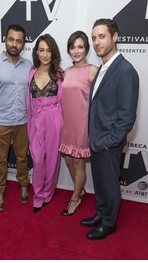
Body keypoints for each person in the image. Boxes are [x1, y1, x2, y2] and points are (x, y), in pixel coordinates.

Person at [80, 19, 139, 239]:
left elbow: (126, 117)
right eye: (94, 37)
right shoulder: (104, 68)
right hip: (97, 139)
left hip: (107, 143)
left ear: (115, 37)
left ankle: (109, 223)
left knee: (110, 185)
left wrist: (107, 142)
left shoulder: (126, 71)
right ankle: (101, 212)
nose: (96, 42)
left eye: (102, 36)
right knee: (101, 182)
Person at [0, 24, 32, 212]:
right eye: (11, 39)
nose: (14, 44)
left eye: (19, 41)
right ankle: (0, 190)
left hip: (23, 122)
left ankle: (24, 185)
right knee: (0, 160)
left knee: (22, 158)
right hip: (0, 122)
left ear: (23, 44)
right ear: (5, 40)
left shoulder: (29, 66)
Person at [59, 31, 98, 216]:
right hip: (66, 123)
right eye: (73, 47)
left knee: (78, 161)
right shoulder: (66, 72)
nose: (76, 51)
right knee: (68, 159)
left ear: (87, 49)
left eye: (80, 46)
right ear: (69, 50)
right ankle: (80, 189)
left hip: (83, 123)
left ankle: (75, 198)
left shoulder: (93, 70)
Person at [27, 34, 63, 213]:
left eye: (49, 50)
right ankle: (38, 194)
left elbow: (62, 101)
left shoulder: (59, 74)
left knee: (53, 160)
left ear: (53, 52)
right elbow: (28, 103)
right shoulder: (31, 72)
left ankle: (47, 194)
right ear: (36, 52)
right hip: (36, 120)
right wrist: (29, 126)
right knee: (37, 159)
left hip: (54, 119)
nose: (45, 54)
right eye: (41, 50)